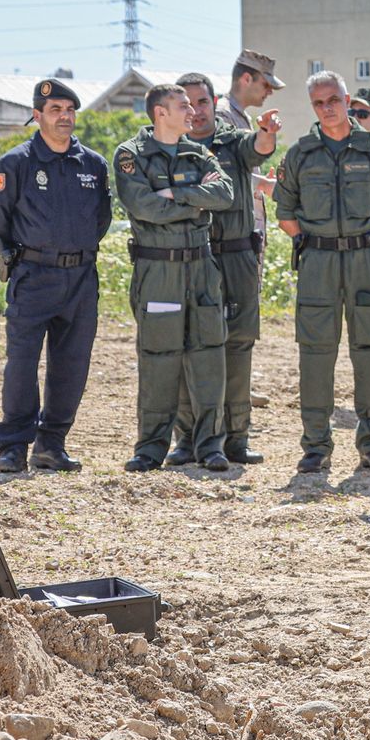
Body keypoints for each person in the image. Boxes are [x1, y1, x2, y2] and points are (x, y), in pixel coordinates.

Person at [274, 70, 370, 475]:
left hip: (367, 260)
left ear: (347, 101)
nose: (327, 108)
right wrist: (314, 241)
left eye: (333, 100)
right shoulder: (300, 154)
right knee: (315, 354)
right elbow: (285, 212)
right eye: (318, 103)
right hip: (318, 263)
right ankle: (315, 445)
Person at [114, 84, 235, 473]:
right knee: (159, 358)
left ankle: (210, 446)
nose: (192, 112)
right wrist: (195, 202)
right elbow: (144, 207)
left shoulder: (199, 153)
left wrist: (175, 193)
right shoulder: (132, 154)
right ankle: (150, 448)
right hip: (158, 271)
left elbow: (225, 194)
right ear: (160, 112)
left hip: (201, 268)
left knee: (209, 354)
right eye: (183, 106)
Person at [0, 79, 112, 474]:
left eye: (69, 110)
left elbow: (101, 220)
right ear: (37, 115)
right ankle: (13, 445)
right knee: (22, 363)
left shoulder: (93, 165)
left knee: (72, 364)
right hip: (33, 276)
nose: (64, 117)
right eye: (55, 110)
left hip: (81, 279)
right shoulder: (15, 163)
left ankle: (51, 444)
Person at [168, 73, 281, 466]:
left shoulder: (232, 142)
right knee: (186, 345)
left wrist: (267, 133)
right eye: (188, 104)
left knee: (238, 345)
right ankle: (187, 439)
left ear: (214, 102)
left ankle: (236, 438)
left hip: (236, 256)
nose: (196, 111)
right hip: (190, 258)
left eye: (202, 102)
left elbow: (259, 148)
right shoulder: (169, 147)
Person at [216, 49, 284, 287]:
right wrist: (264, 185)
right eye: (266, 84)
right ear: (246, 79)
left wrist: (260, 180)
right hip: (231, 238)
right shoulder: (223, 115)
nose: (269, 92)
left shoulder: (239, 116)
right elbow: (220, 175)